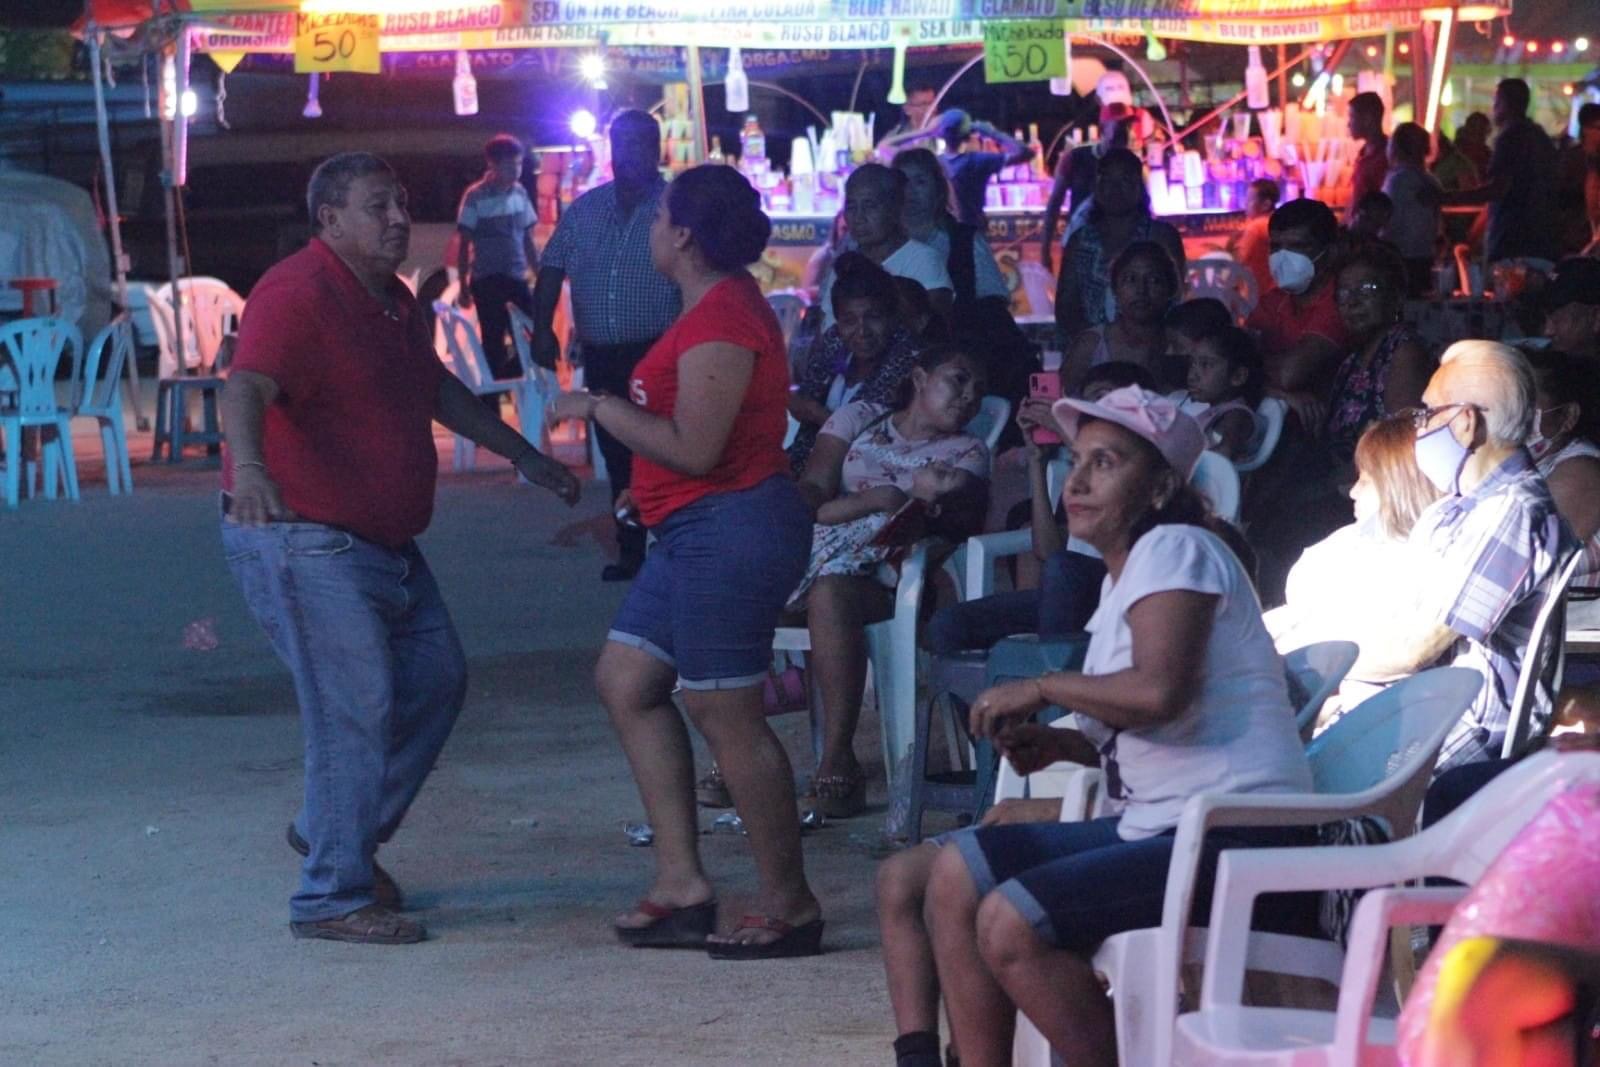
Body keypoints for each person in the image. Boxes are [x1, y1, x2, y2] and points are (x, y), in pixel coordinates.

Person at [220, 152, 580, 946]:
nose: (397, 219)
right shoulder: (297, 291)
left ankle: (332, 830)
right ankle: (331, 894)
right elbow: (245, 386)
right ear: (330, 220)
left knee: (436, 678)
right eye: (378, 206)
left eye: (401, 202)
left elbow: (435, 386)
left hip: (381, 539)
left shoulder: (392, 299)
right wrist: (250, 469)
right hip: (306, 535)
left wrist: (523, 453)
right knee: (354, 705)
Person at [922, 385, 1314, 1067]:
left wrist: (1043, 685)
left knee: (1010, 920)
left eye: (1105, 462)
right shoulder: (1124, 577)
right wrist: (1061, 743)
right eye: (1076, 461)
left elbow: (1159, 693)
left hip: (1238, 833)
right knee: (956, 873)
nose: (1076, 481)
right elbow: (1159, 721)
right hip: (1167, 827)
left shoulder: (1177, 547)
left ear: (1161, 487)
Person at [547, 164, 822, 960]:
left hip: (728, 525)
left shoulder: (722, 317)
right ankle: (681, 883)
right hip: (695, 523)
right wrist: (647, 489)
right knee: (627, 679)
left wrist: (602, 407)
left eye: (661, 214)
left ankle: (790, 904)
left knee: (724, 709)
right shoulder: (712, 308)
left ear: (686, 236)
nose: (651, 225)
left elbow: (697, 447)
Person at [1342, 341, 1571, 771]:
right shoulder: (1461, 505)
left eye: (1427, 414)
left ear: (1466, 422)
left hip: (1465, 723)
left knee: (1304, 762)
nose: (1420, 428)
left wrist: (1324, 668)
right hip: (1431, 703)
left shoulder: (1511, 510)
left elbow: (1414, 649)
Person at [790, 345, 992, 817]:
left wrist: (897, 504)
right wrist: (869, 500)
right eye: (958, 379)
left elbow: (949, 521)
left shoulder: (966, 453)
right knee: (739, 580)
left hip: (889, 576)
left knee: (829, 593)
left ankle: (838, 760)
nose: (969, 397)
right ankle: (730, 750)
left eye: (979, 391)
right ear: (920, 378)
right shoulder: (858, 418)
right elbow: (814, 487)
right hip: (820, 545)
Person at [922, 361, 1155, 660]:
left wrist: (1070, 436)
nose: (1092, 411)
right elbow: (1048, 550)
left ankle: (1052, 686)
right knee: (951, 624)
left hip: (1126, 591)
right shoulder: (1081, 471)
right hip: (1071, 594)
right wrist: (1036, 460)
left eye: (1103, 398)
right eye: (1088, 403)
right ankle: (994, 693)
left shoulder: (1149, 463)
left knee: (1065, 570)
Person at [533, 110, 680, 582]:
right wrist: (542, 329)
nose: (628, 154)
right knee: (617, 457)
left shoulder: (675, 207)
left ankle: (675, 551)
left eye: (639, 144)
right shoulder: (586, 208)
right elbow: (552, 267)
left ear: (656, 149)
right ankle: (632, 554)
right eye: (621, 144)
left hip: (659, 352)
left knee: (664, 452)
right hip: (602, 355)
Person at [1264, 414, 1441, 719]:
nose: (1352, 491)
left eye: (1366, 481)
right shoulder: (1357, 539)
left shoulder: (1414, 565)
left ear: (1400, 485)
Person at [787, 252, 921, 475]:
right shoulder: (835, 340)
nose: (862, 331)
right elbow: (802, 398)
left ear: (891, 318)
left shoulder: (907, 359)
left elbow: (871, 437)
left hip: (865, 477)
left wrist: (817, 413)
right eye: (849, 321)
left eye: (873, 317)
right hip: (805, 465)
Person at [1054, 149, 1186, 347]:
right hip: (1091, 349)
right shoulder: (1080, 241)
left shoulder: (1162, 236)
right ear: (1096, 187)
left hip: (1150, 349)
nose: (1115, 188)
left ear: (1139, 187)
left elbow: (1174, 301)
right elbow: (1066, 307)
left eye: (1124, 180)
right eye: (1106, 180)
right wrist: (1098, 344)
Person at [1324, 244, 1435, 468]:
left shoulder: (1404, 352)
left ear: (1395, 297)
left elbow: (1401, 448)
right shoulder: (1352, 359)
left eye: (1367, 289)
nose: (1353, 302)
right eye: (1344, 293)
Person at [1247, 197, 1349, 424]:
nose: (1283, 258)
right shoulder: (1273, 301)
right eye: (1276, 247)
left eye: (1299, 247)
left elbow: (1289, 373)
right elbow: (1229, 362)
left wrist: (1252, 366)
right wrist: (1280, 394)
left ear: (1330, 252)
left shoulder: (1341, 300)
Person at [817, 164, 952, 332]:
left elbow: (933, 332)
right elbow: (826, 328)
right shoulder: (846, 265)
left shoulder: (924, 260)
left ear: (894, 210)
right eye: (851, 207)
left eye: (870, 206)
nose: (859, 217)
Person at [1440, 79, 1560, 264]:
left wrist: (1447, 198)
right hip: (1543, 240)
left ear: (1505, 103)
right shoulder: (1540, 137)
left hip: (1513, 242)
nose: (1493, 108)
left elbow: (1498, 189)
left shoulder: (1510, 138)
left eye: (1496, 101)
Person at [454, 133, 539, 381]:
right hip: (487, 280)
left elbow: (527, 239)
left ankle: (506, 379)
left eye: (519, 164)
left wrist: (540, 273)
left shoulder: (520, 193)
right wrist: (463, 285)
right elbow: (464, 244)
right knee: (493, 342)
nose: (516, 170)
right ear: (492, 164)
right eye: (510, 165)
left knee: (534, 334)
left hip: (516, 276)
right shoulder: (475, 196)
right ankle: (492, 398)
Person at [1526, 348, 1600, 606]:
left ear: (1568, 416)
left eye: (1527, 405)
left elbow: (1521, 566)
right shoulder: (1530, 467)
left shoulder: (1581, 472)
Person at [1061, 239, 1180, 392]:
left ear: (1170, 289)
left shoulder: (1181, 344)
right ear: (1115, 288)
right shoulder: (1091, 345)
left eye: (1154, 280)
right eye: (1131, 279)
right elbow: (1063, 398)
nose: (1141, 290)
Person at [1040, 103, 1133, 272]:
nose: (1125, 131)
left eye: (1128, 125)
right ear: (1103, 128)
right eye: (1119, 125)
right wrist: (1045, 251)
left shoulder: (1131, 165)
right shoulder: (1075, 158)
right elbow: (1054, 204)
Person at [1170, 324, 1266, 462]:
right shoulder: (1217, 411)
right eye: (1192, 363)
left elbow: (1224, 453)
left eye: (1206, 364)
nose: (1192, 376)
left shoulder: (1236, 415)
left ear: (1238, 376)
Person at [934, 109, 1034, 228]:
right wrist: (992, 132)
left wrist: (925, 132)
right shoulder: (978, 161)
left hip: (944, 232)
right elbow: (1025, 153)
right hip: (973, 231)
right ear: (968, 135)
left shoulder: (934, 163)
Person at [1383, 122, 1444, 295]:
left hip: (1399, 256)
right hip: (1425, 255)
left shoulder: (1397, 182)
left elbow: (1391, 222)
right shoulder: (1431, 181)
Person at [1542, 257, 1600, 363]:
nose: (1547, 331)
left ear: (1596, 317)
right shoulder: (1539, 365)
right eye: (1544, 318)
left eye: (1557, 320)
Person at [1228, 178, 1279, 294]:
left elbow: (1239, 262)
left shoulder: (1256, 228)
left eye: (1249, 200)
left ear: (1266, 205)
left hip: (1258, 296)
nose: (1245, 204)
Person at [1346, 91, 1390, 225]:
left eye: (1352, 117)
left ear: (1368, 119)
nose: (1348, 124)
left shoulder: (1386, 157)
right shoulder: (1363, 154)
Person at [876, 81, 939, 156]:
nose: (932, 108)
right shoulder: (897, 135)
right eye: (924, 104)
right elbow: (882, 152)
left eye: (933, 103)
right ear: (907, 109)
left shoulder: (946, 130)